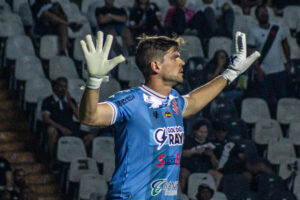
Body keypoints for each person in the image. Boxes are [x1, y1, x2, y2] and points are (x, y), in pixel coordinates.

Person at [78, 30, 260, 199]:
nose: (182, 62)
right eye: (175, 58)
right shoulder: (131, 100)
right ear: (156, 66)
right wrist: (94, 81)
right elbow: (90, 117)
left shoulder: (173, 100)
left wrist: (230, 73)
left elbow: (195, 101)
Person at [247, 5, 290, 109]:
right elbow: (250, 53)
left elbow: (285, 45)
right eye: (260, 12)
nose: (263, 14)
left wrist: (288, 62)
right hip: (264, 72)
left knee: (283, 101)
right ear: (256, 16)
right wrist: (258, 69)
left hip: (280, 70)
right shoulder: (253, 32)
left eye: (265, 11)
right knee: (264, 102)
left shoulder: (277, 28)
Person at [41, 77, 79, 168]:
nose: (63, 89)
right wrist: (61, 128)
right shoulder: (48, 101)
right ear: (55, 87)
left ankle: (76, 160)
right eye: (61, 86)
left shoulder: (70, 101)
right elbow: (46, 118)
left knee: (90, 137)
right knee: (51, 131)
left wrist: (69, 101)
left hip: (70, 127)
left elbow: (78, 116)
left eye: (65, 87)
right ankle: (53, 159)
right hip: (58, 128)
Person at [179, 120, 218, 192]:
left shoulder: (211, 144)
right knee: (182, 174)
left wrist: (211, 155)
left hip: (204, 168)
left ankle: (213, 196)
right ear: (195, 131)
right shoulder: (188, 141)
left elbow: (216, 166)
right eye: (200, 132)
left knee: (217, 175)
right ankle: (182, 195)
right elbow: (182, 153)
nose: (203, 134)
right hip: (189, 167)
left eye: (205, 132)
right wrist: (195, 151)